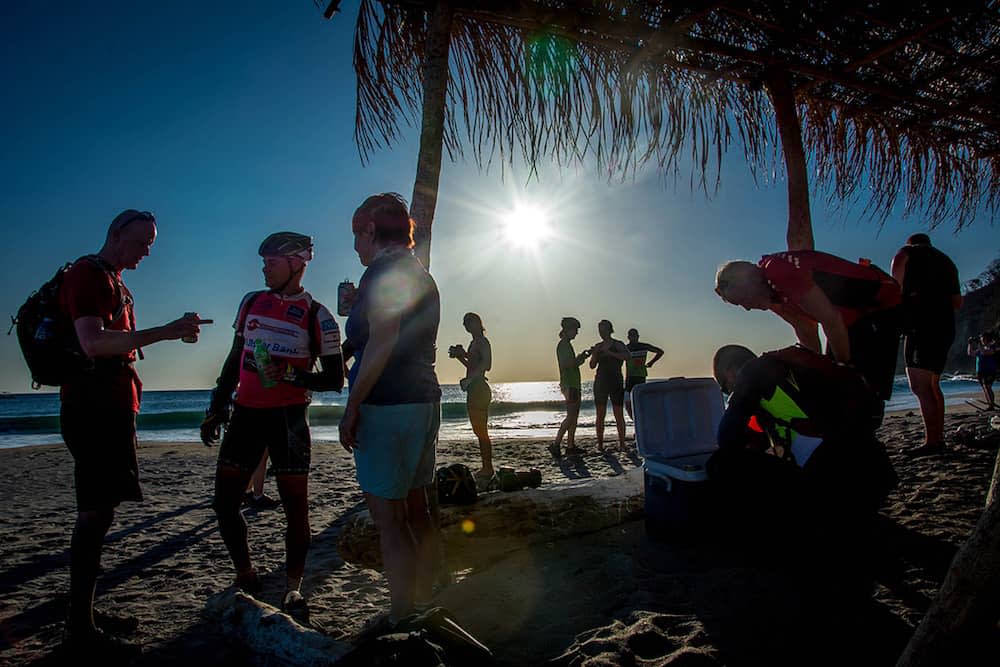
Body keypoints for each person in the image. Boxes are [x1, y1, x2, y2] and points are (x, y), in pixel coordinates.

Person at [59, 209, 206, 656]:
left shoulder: (115, 281)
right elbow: (93, 342)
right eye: (141, 242)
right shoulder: (89, 274)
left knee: (101, 513)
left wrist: (170, 332)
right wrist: (165, 332)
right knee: (93, 514)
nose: (146, 252)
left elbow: (114, 342)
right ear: (115, 234)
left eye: (151, 245)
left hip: (112, 408)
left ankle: (83, 613)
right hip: (93, 409)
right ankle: (79, 627)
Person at [201, 231, 344, 621]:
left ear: (298, 264)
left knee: (295, 509)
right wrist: (215, 407)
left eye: (272, 262)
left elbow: (334, 380)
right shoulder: (251, 303)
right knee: (224, 504)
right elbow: (235, 359)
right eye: (263, 261)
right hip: (246, 414)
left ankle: (294, 587)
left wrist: (293, 377)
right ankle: (245, 571)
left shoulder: (318, 316)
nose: (264, 267)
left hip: (289, 420)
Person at [709, 343, 896, 599]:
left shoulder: (751, 375)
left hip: (835, 475)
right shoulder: (787, 372)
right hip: (873, 470)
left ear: (730, 372)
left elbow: (727, 439)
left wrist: (739, 409)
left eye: (724, 387)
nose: (727, 391)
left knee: (721, 463)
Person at [339, 193, 442, 628]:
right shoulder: (416, 271)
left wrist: (352, 406)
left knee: (390, 520)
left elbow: (383, 338)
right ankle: (430, 595)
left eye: (356, 237)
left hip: (389, 404)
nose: (355, 248)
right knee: (417, 510)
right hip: (422, 398)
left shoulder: (387, 270)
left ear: (369, 231)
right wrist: (354, 310)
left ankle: (402, 614)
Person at [714, 249, 902, 417]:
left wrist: (844, 368)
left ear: (751, 280)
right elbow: (806, 332)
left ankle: (865, 427)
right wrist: (814, 372)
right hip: (849, 320)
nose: (746, 308)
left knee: (859, 385)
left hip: (880, 306)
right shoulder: (773, 297)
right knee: (832, 384)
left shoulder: (777, 270)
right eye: (740, 306)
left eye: (743, 300)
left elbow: (831, 319)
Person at [891, 234, 963, 455]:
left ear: (910, 242)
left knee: (919, 387)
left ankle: (933, 442)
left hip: (920, 326)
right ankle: (937, 439)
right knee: (933, 385)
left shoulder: (906, 254)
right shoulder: (947, 261)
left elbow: (894, 288)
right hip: (944, 327)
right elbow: (957, 303)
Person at [449, 312, 493, 480]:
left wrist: (466, 356)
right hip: (474, 387)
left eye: (469, 321)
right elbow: (471, 366)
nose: (467, 325)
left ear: (477, 322)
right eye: (465, 322)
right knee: (478, 430)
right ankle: (486, 466)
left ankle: (488, 467)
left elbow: (487, 365)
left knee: (481, 430)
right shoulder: (473, 343)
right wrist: (460, 356)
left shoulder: (482, 341)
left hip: (480, 388)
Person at [550, 317, 590, 458]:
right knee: (571, 416)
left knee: (574, 417)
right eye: (575, 330)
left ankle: (570, 445)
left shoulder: (566, 345)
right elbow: (568, 364)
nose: (577, 333)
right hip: (569, 384)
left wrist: (580, 358)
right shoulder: (563, 345)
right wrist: (580, 359)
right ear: (568, 329)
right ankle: (556, 444)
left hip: (573, 384)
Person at [589, 319, 630, 452]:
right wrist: (595, 354)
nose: (602, 332)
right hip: (601, 381)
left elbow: (627, 356)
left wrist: (610, 353)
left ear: (610, 330)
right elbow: (592, 365)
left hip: (616, 380)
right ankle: (600, 444)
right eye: (600, 330)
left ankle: (622, 443)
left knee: (618, 413)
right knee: (600, 414)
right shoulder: (598, 346)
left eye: (604, 329)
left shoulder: (618, 344)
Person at [624, 328, 664, 420]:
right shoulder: (626, 348)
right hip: (629, 377)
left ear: (638, 337)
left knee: (639, 402)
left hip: (640, 377)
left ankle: (641, 421)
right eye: (631, 336)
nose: (633, 338)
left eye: (635, 336)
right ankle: (635, 421)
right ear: (628, 337)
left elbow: (660, 352)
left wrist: (651, 362)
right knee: (628, 402)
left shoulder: (643, 346)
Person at [968, 331, 997, 410]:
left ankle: (991, 404)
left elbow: (985, 352)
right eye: (981, 338)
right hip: (980, 372)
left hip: (990, 371)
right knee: (985, 388)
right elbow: (971, 353)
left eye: (983, 338)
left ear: (987, 339)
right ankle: (990, 403)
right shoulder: (980, 349)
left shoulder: (991, 347)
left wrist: (978, 344)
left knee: (987, 387)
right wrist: (970, 344)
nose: (982, 340)